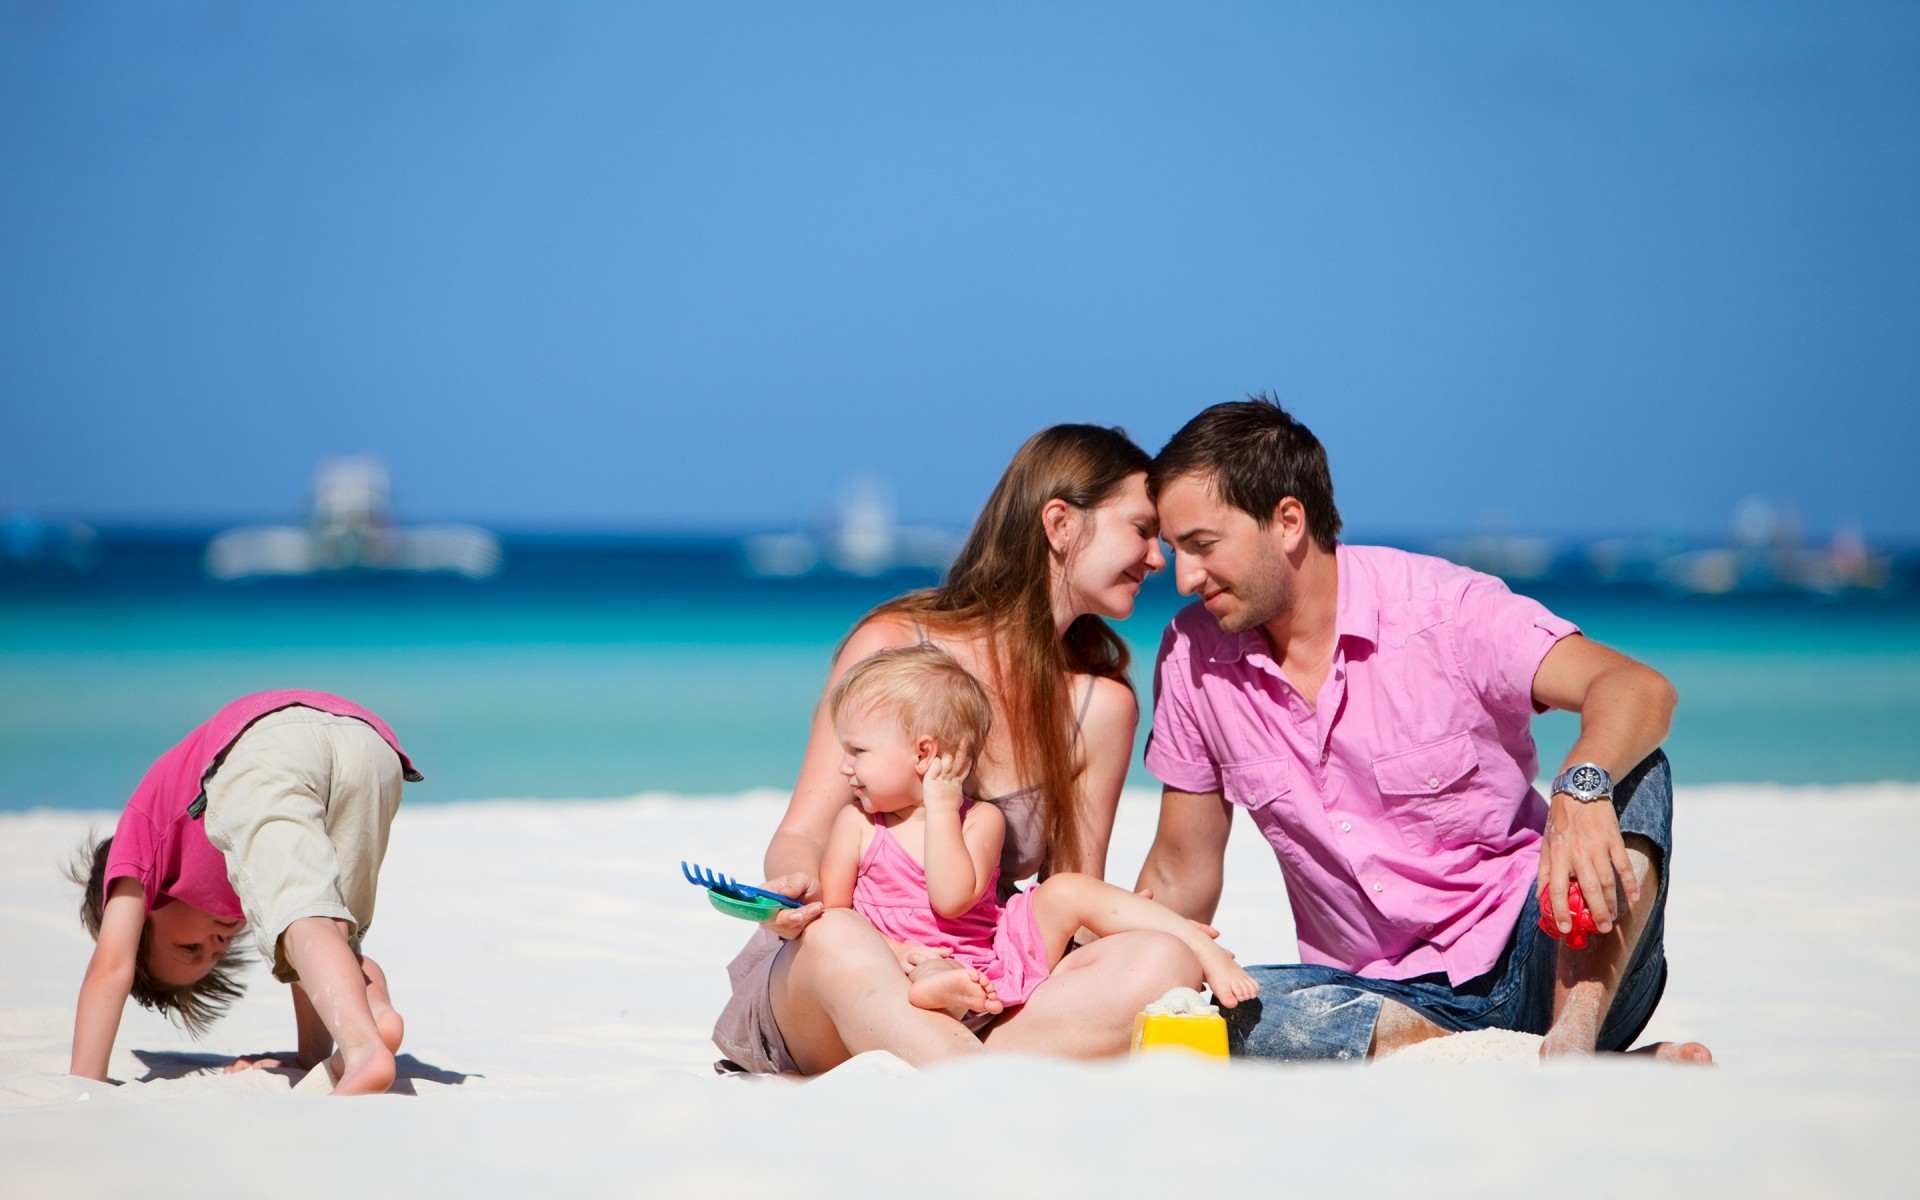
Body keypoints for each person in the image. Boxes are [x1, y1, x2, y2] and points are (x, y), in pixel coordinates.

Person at [1135, 397, 1713, 1063]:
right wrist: (1106, 950)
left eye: (1203, 546)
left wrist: (1578, 790)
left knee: (1630, 768)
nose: (1183, 578)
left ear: (1287, 520)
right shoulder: (1191, 659)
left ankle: (1572, 1043)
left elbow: (1638, 688)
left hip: (1555, 955)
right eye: (1174, 550)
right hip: (1371, 997)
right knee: (1191, 1014)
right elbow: (1181, 871)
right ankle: (1488, 1052)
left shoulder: (1444, 611)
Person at [713, 424, 1206, 1074]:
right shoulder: (892, 646)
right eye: (1142, 529)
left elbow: (1067, 898)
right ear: (1059, 523)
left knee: (1161, 960)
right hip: (844, 979)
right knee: (838, 937)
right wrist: (798, 885)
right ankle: (973, 1079)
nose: (1157, 557)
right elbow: (802, 830)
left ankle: (953, 1064)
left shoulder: (1101, 708)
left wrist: (1137, 930)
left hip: (974, 988)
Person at [820, 644, 1259, 1020]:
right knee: (933, 973)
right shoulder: (855, 825)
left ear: (924, 752)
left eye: (857, 751)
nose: (844, 767)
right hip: (911, 968)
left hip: (991, 959)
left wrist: (941, 808)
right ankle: (949, 998)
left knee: (1068, 889)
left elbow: (951, 898)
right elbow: (836, 919)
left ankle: (1192, 943)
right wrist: (896, 952)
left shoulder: (978, 819)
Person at [68, 690, 423, 1095]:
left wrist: (84, 1081)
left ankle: (363, 1051)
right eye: (213, 952)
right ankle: (375, 1017)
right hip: (370, 744)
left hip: (262, 747)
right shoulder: (246, 868)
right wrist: (308, 1058)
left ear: (145, 910)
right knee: (332, 934)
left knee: (303, 923)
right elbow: (311, 955)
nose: (216, 941)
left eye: (188, 947)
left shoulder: (138, 847)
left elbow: (111, 966)